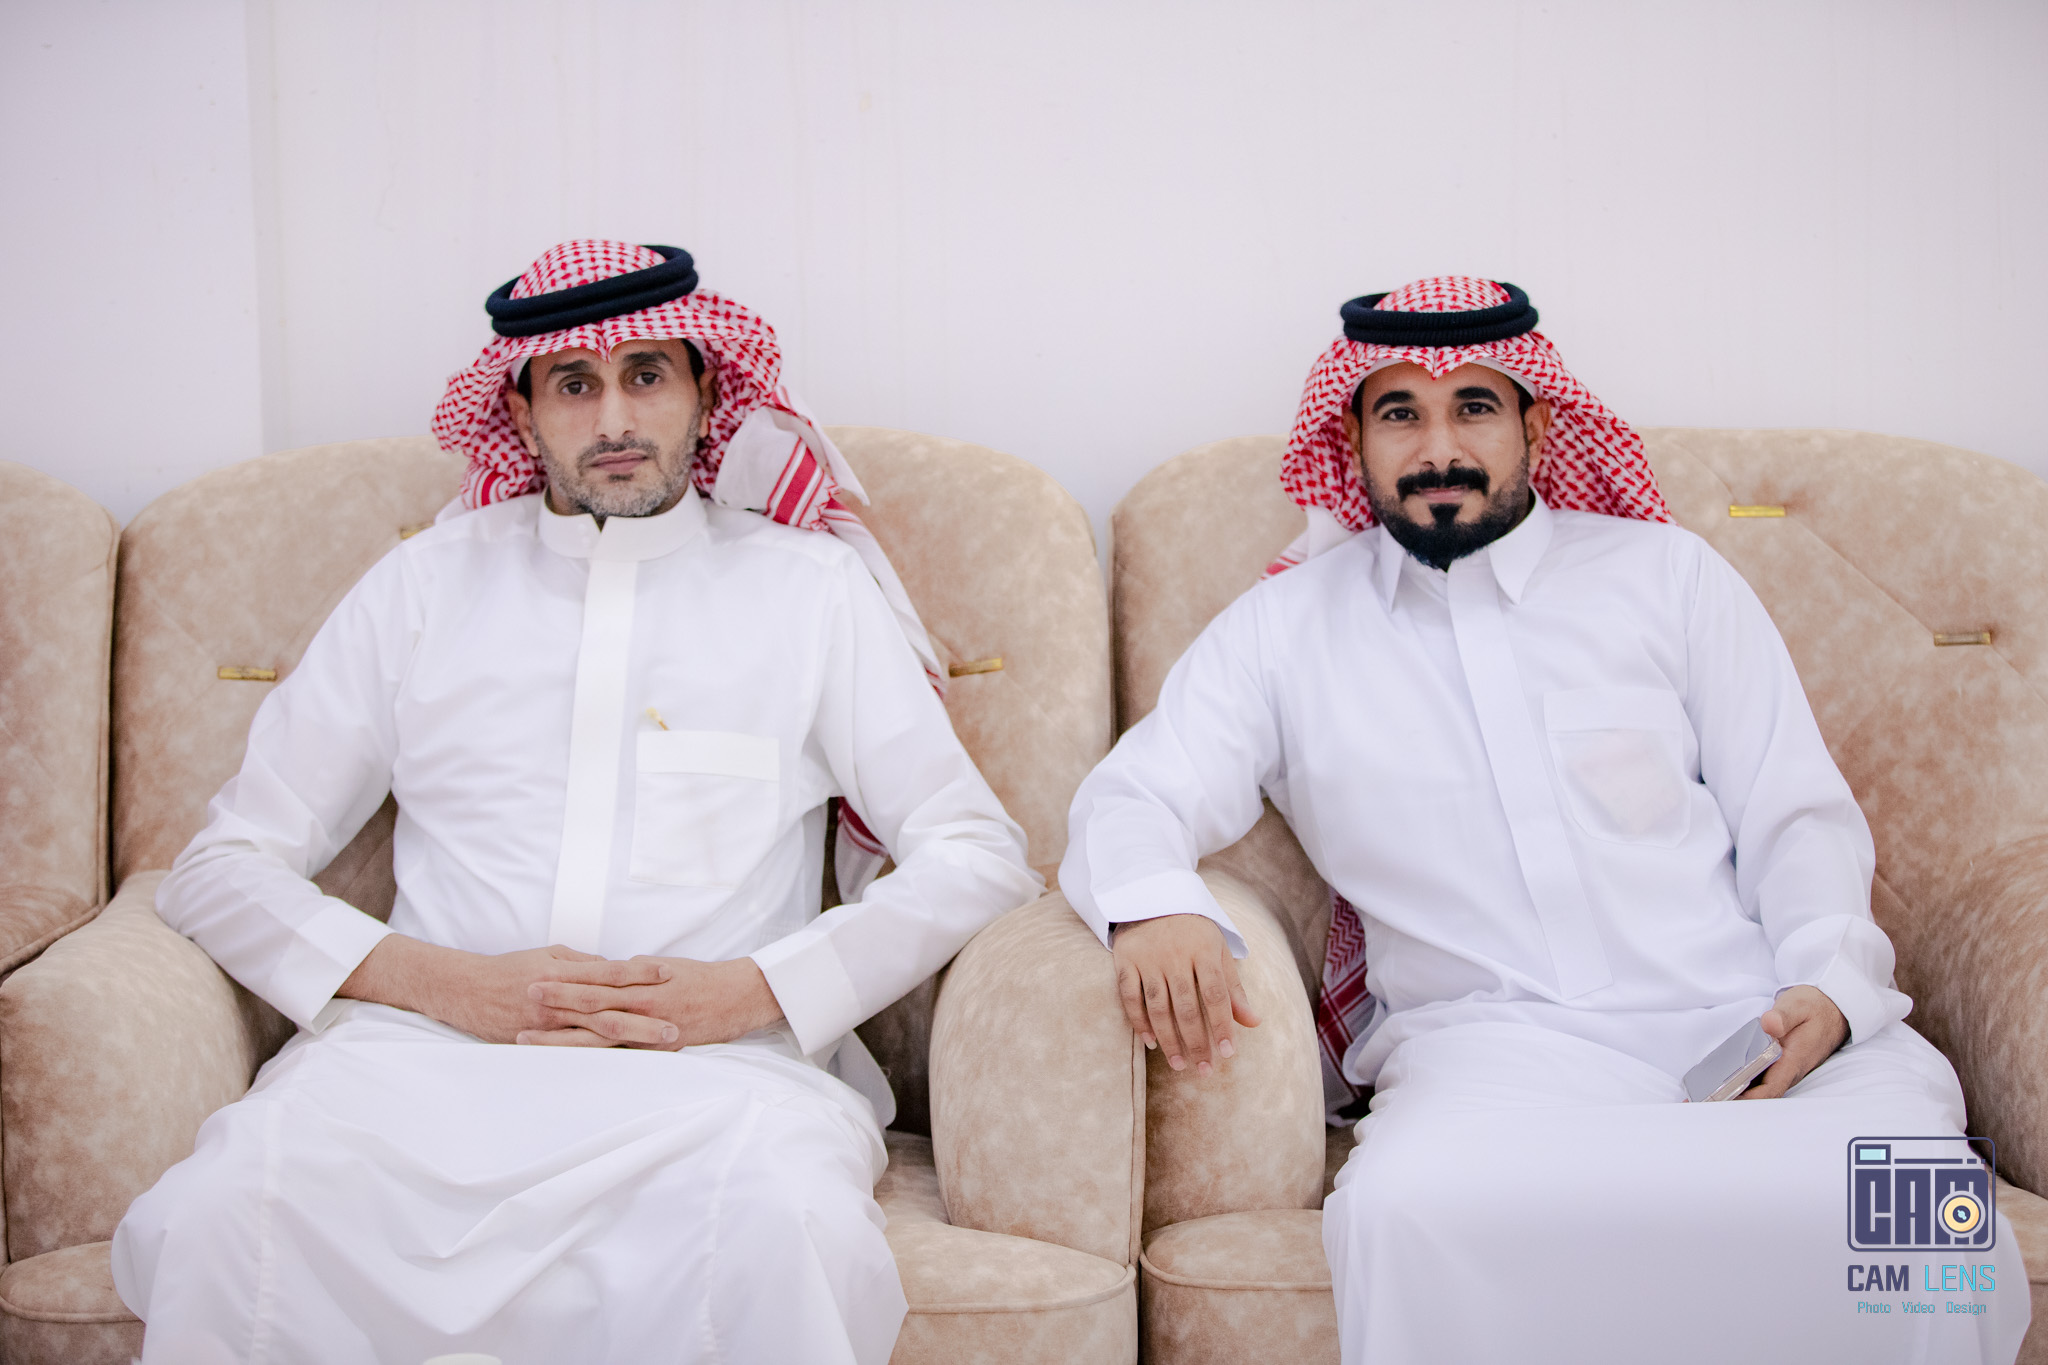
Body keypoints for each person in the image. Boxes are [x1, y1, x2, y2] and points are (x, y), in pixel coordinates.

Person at [1061, 277, 2029, 1363]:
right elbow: (1132, 794)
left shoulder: (1667, 578)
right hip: (1493, 1058)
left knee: (1919, 1219)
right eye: (1399, 413)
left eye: (1474, 407)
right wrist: (1155, 909)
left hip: (1751, 1025)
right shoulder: (1283, 632)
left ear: (1536, 424)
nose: (1438, 448)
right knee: (1407, 1212)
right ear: (1353, 439)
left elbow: (1794, 816)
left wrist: (1828, 987)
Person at [111, 240, 1042, 1364]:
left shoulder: (808, 593)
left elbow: (975, 850)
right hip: (416, 1071)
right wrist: (442, 984)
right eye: (573, 384)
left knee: (776, 1225)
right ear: (521, 410)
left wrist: (752, 992)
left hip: (715, 1083)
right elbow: (223, 866)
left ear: (706, 391)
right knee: (226, 1214)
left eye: (646, 375)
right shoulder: (423, 588)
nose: (614, 418)